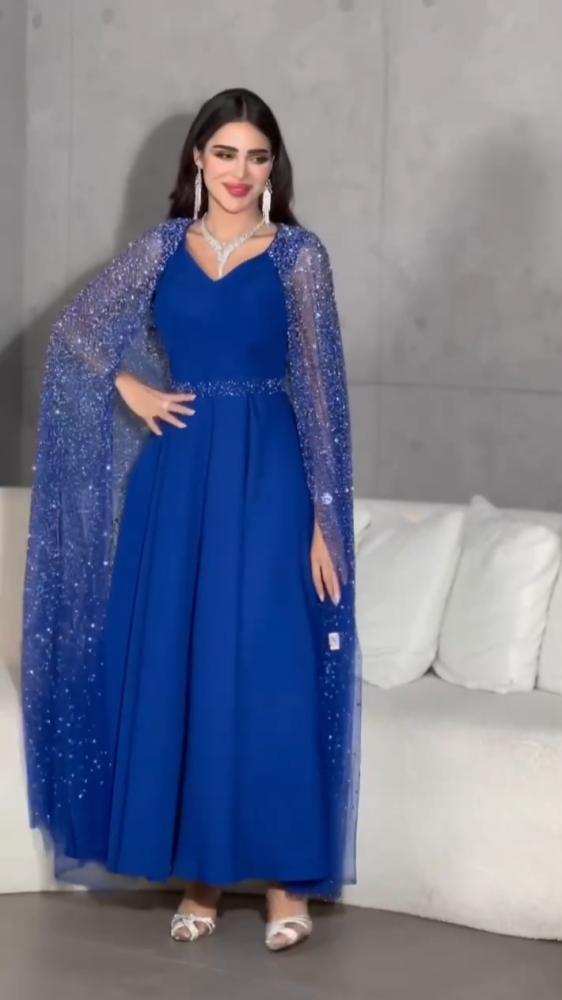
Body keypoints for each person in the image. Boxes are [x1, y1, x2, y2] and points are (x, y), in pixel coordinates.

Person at [21, 87, 362, 953]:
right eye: (226, 153)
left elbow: (321, 394)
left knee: (270, 663)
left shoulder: (299, 257)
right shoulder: (160, 249)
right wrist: (129, 387)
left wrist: (325, 519)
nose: (241, 172)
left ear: (273, 167)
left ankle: (287, 884)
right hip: (177, 482)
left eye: (258, 156)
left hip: (269, 475)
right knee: (188, 665)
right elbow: (77, 335)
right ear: (198, 160)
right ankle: (202, 876)